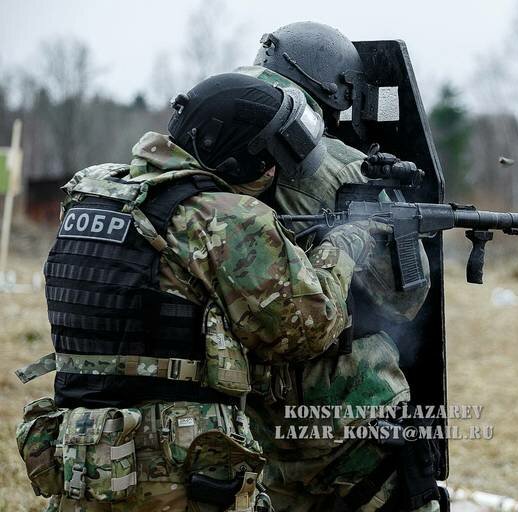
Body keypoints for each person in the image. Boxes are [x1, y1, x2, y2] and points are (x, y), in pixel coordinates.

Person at [15, 72, 386, 512]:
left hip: (85, 455)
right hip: (177, 468)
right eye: (268, 162)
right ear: (237, 160)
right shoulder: (223, 217)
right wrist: (341, 245)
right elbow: (309, 328)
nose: (271, 174)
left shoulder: (92, 192)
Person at [234, 21, 442, 512]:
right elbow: (404, 297)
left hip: (245, 406)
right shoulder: (343, 168)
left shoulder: (211, 150)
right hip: (342, 408)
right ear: (338, 89)